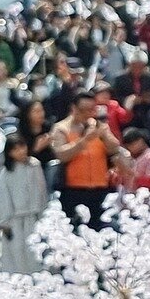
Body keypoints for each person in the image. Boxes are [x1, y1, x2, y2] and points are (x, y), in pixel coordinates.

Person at [50, 90, 120, 229]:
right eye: (84, 110)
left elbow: (114, 147)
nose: (88, 114)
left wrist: (103, 133)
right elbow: (61, 154)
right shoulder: (61, 128)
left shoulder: (97, 126)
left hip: (99, 188)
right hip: (73, 189)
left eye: (91, 110)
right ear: (73, 108)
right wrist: (84, 140)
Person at [0, 134, 48, 273]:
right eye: (15, 149)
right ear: (9, 152)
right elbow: (2, 197)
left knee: (35, 254)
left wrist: (44, 215)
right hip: (15, 219)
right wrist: (5, 221)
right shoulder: (6, 172)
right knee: (17, 253)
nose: (20, 151)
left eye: (22, 146)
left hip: (34, 217)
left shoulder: (34, 165)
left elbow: (42, 191)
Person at [119, 127, 150, 194]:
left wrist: (131, 175)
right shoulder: (128, 157)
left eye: (132, 144)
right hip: (129, 196)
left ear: (141, 141)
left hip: (149, 197)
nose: (130, 148)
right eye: (128, 146)